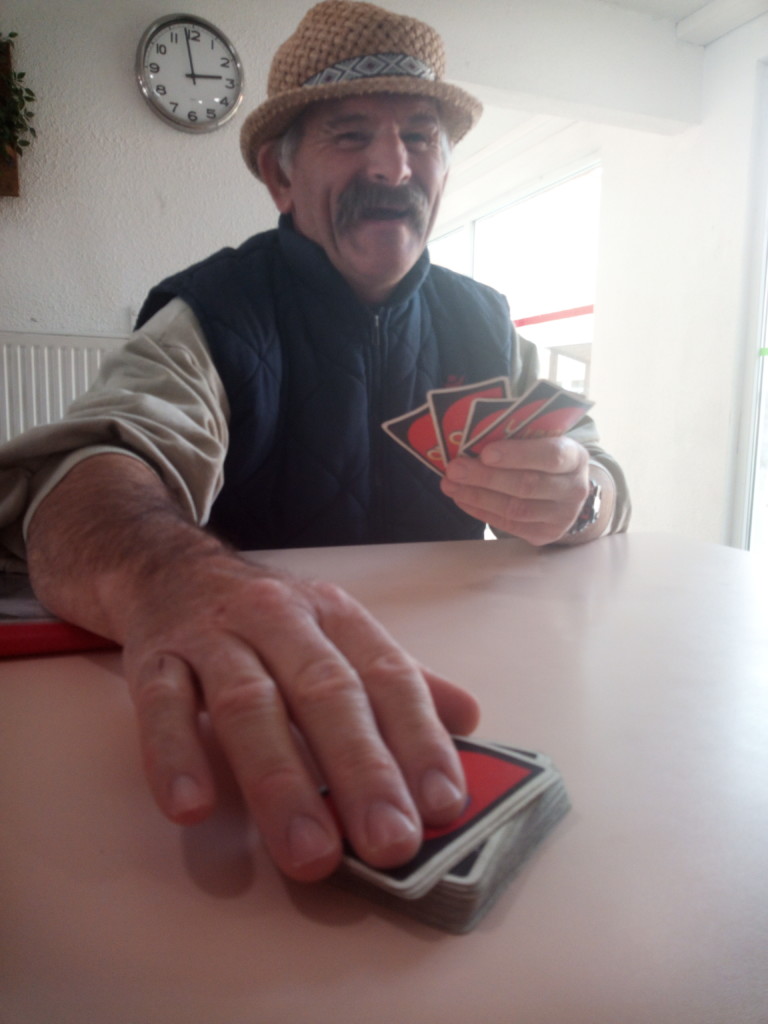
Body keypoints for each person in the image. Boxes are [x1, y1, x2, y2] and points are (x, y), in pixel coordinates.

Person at [0, 1, 629, 882]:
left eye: (420, 135)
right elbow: (85, 475)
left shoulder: (485, 322)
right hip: (254, 708)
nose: (393, 165)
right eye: (350, 134)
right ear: (279, 174)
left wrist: (583, 497)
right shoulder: (209, 315)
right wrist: (168, 578)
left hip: (482, 699)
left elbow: (601, 472)